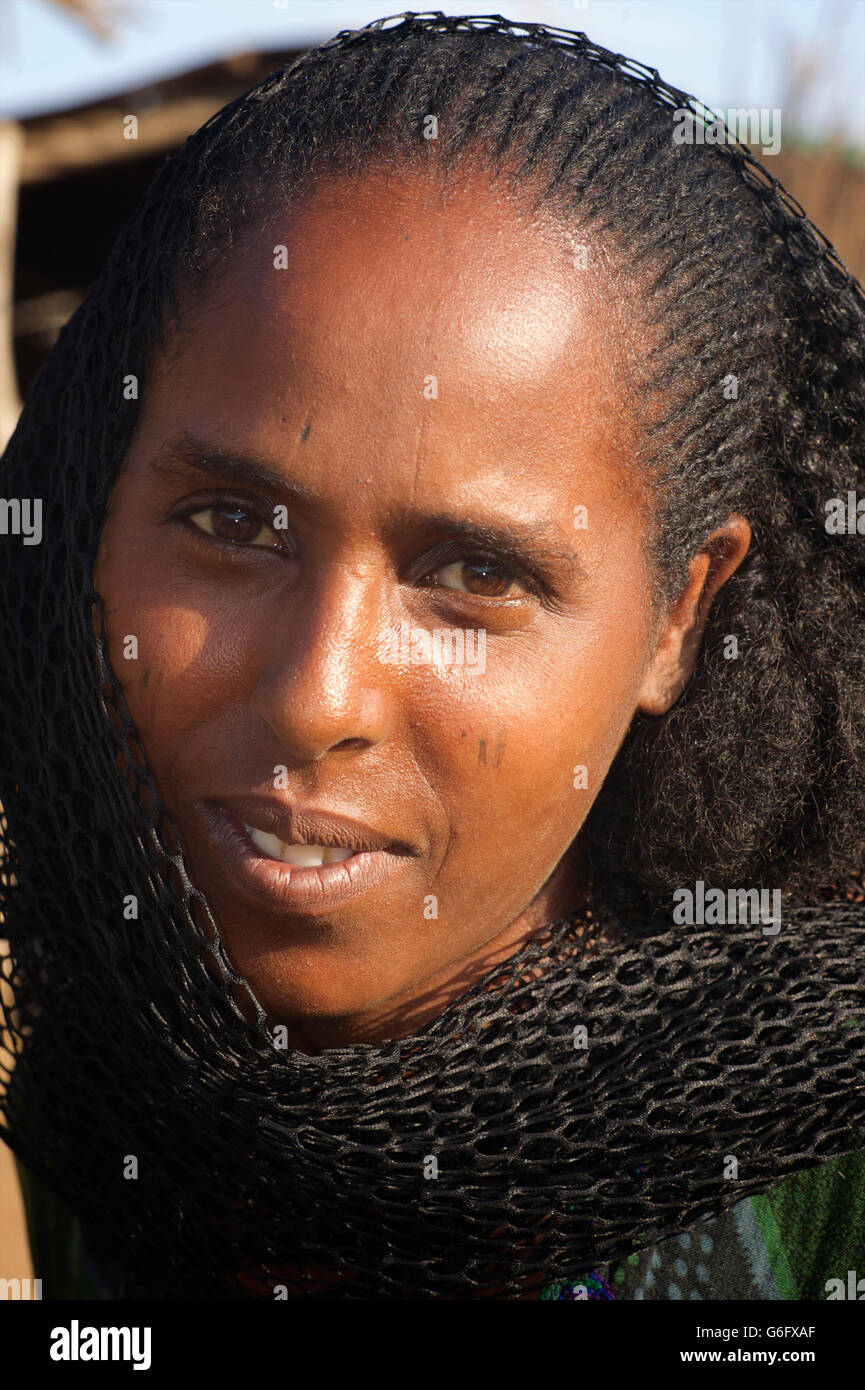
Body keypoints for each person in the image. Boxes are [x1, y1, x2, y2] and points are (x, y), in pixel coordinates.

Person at [1, 11, 864, 1301]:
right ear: (93, 503)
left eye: (477, 575)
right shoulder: (88, 1105)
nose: (315, 696)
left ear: (679, 617)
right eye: (232, 525)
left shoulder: (813, 1184)